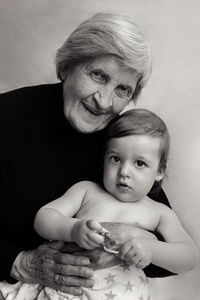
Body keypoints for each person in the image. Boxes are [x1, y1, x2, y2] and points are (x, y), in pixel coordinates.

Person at [0, 13, 171, 296]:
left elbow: (167, 242)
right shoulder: (6, 116)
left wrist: (134, 239)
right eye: (98, 75)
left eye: (122, 90)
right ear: (68, 65)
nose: (104, 101)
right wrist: (20, 262)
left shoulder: (121, 141)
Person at [0, 109, 198, 299]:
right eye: (116, 159)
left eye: (139, 163)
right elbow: (44, 217)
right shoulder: (87, 191)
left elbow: (189, 258)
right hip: (67, 291)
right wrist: (73, 229)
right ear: (104, 160)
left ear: (159, 172)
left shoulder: (159, 213)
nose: (124, 171)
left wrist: (152, 250)